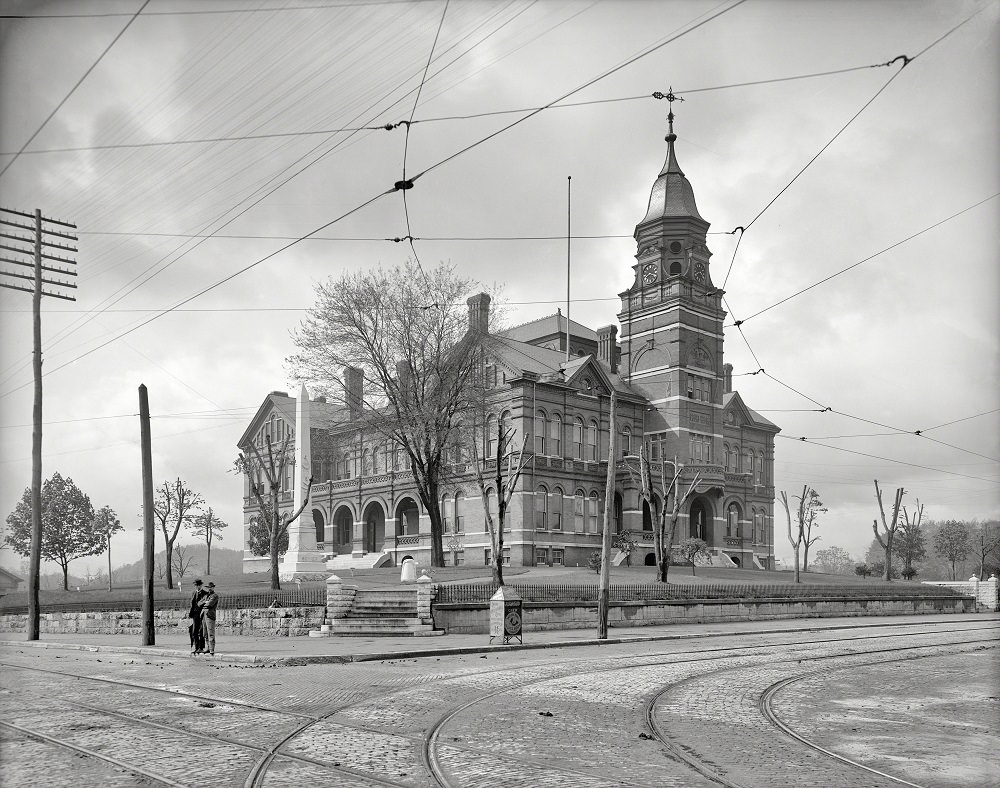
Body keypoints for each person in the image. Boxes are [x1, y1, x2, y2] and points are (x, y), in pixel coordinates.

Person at [199, 581, 219, 656]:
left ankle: (211, 649)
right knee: (205, 633)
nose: (209, 589)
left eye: (211, 587)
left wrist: (204, 603)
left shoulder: (215, 596)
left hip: (210, 615)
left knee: (210, 632)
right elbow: (199, 603)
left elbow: (209, 604)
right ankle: (208, 647)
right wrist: (204, 603)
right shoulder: (206, 596)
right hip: (204, 615)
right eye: (208, 588)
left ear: (213, 588)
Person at [188, 579, 207, 654]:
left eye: (197, 585)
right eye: (195, 585)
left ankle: (201, 647)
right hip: (195, 614)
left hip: (202, 614)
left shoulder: (205, 593)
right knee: (194, 631)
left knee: (201, 630)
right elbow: (192, 604)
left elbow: (205, 604)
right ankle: (196, 647)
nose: (196, 586)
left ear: (200, 585)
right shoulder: (193, 593)